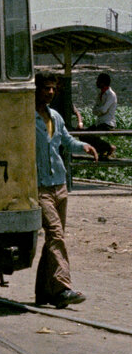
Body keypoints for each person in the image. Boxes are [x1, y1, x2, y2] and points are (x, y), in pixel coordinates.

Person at [34, 72, 97, 308]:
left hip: (59, 185)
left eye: (53, 88)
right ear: (36, 89)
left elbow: (67, 141)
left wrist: (85, 146)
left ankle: (43, 293)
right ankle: (62, 288)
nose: (50, 92)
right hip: (40, 187)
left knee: (54, 239)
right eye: (45, 88)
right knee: (56, 236)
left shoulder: (55, 117)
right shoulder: (25, 118)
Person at [76, 73, 118, 160]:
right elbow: (95, 110)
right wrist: (99, 110)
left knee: (90, 135)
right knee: (82, 135)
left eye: (98, 81)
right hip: (100, 122)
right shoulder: (100, 95)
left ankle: (108, 148)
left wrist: (99, 110)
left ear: (103, 82)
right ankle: (104, 149)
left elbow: (103, 110)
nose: (96, 83)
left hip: (107, 123)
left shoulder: (111, 95)